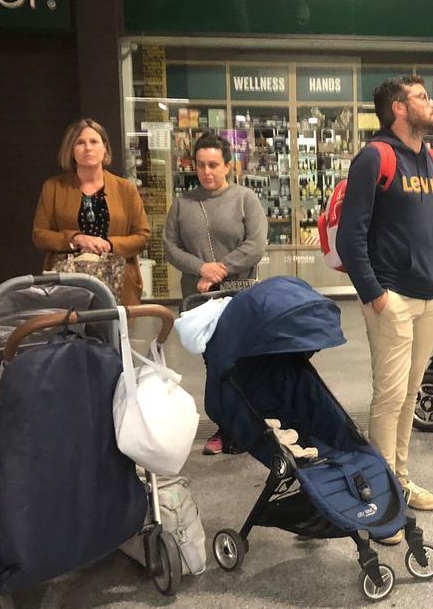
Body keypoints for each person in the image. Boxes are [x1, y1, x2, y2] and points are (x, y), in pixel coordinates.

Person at [336, 75, 433, 538]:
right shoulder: (374, 157)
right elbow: (350, 235)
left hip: (430, 297)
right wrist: (375, 295)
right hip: (393, 298)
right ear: (398, 109)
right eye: (423, 97)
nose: (432, 103)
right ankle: (382, 499)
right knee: (388, 397)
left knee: (409, 395)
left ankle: (400, 479)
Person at [164, 132, 267, 456]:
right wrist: (200, 267)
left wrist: (219, 268)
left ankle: (245, 426)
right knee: (215, 363)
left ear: (227, 166)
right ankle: (225, 426)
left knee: (240, 360)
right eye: (201, 165)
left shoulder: (244, 198)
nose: (207, 171)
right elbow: (170, 246)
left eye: (213, 165)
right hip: (199, 298)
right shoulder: (183, 203)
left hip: (238, 294)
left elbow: (255, 244)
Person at [32, 119, 151, 306]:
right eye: (80, 142)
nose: (88, 147)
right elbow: (40, 235)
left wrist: (109, 244)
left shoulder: (125, 188)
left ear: (105, 148)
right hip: (68, 282)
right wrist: (75, 239)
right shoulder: (53, 187)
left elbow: (142, 236)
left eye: (94, 141)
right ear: (71, 150)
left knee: (114, 333)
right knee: (70, 333)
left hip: (117, 280)